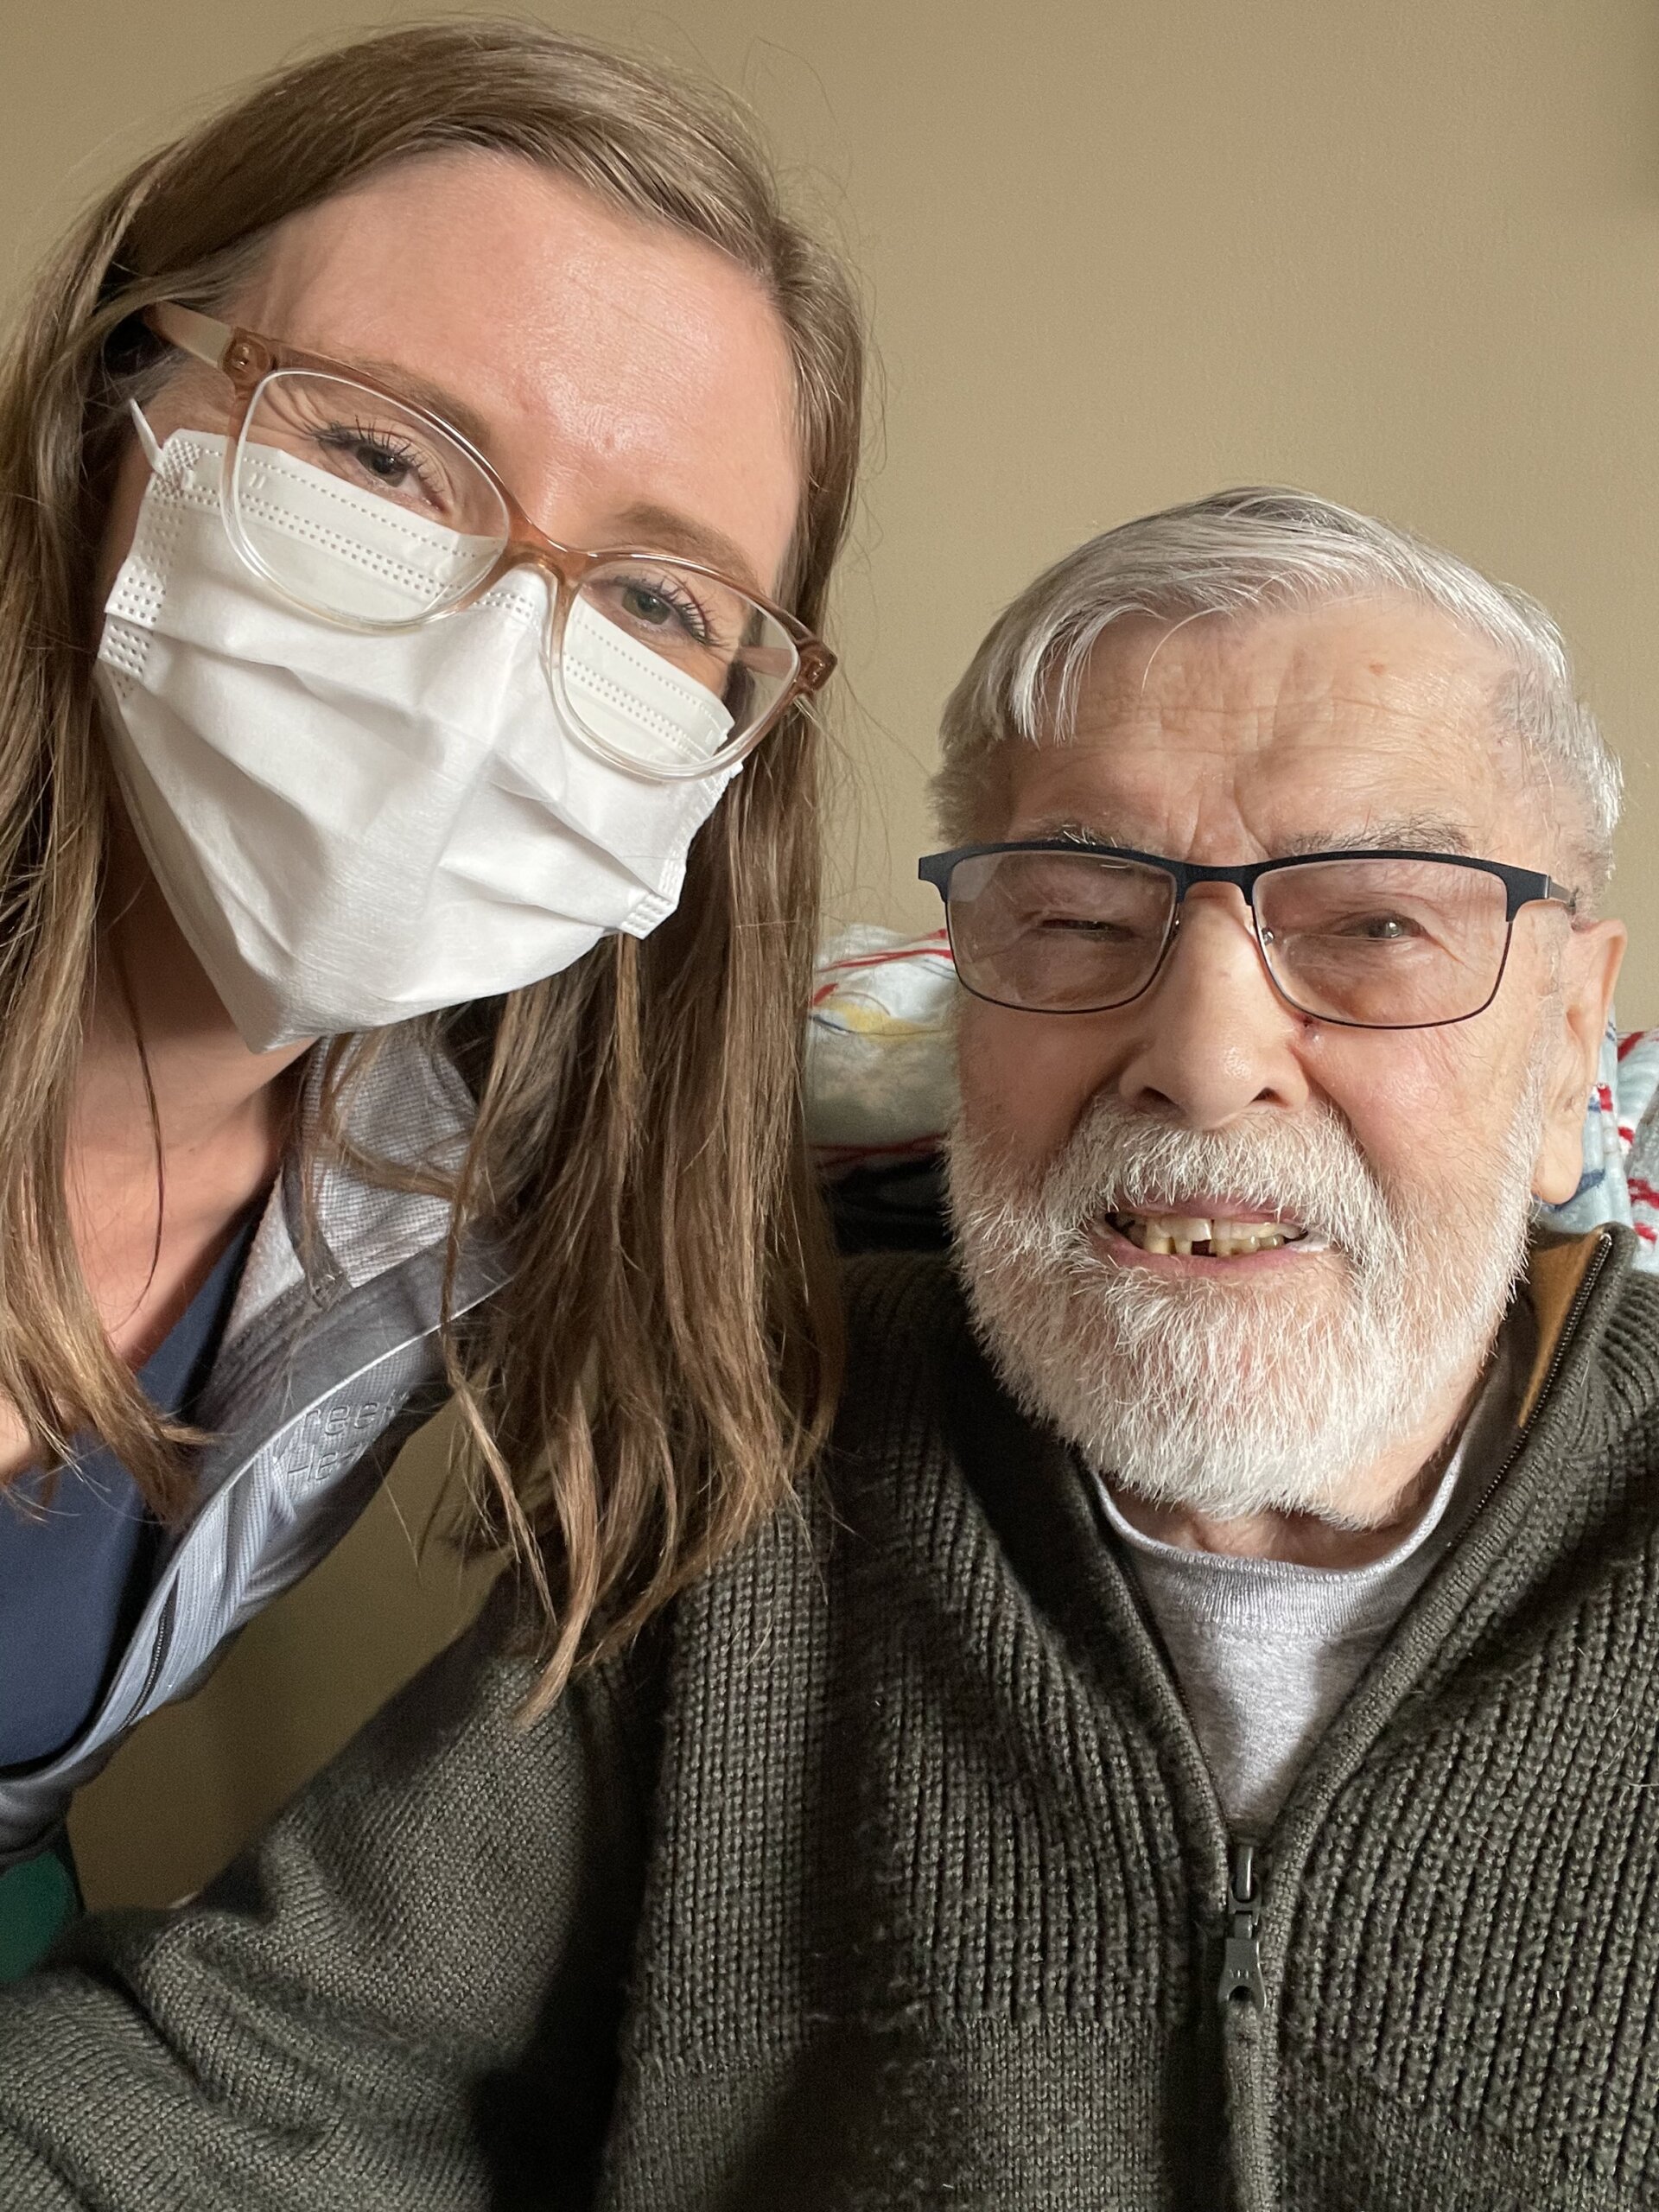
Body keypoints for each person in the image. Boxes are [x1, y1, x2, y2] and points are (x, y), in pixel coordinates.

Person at [0, 488, 1649, 2212]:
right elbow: (255, 2081)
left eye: (1376, 924)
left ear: (1562, 1054)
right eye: (1077, 917)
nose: (1204, 1052)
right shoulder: (768, 1437)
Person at [0, 18, 862, 1980]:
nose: (487, 663)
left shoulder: (464, 1196)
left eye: (657, 600)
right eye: (382, 453)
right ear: (118, 410)